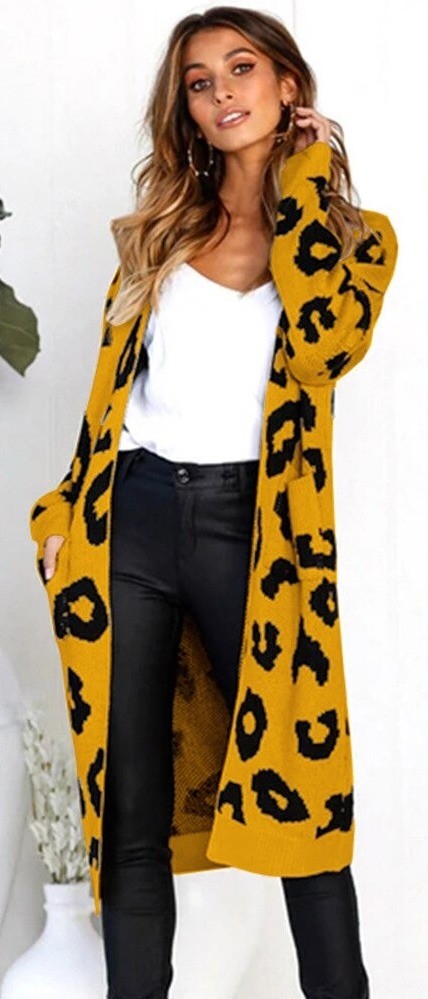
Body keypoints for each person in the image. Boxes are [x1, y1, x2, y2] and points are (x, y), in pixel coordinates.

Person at [34, 6, 398, 998]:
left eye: (241, 69)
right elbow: (110, 402)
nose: (222, 91)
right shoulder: (158, 233)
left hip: (257, 536)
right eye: (199, 82)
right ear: (186, 110)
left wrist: (304, 182)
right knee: (130, 817)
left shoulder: (354, 240)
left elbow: (324, 346)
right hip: (134, 521)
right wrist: (65, 515)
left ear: (288, 86)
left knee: (304, 807)